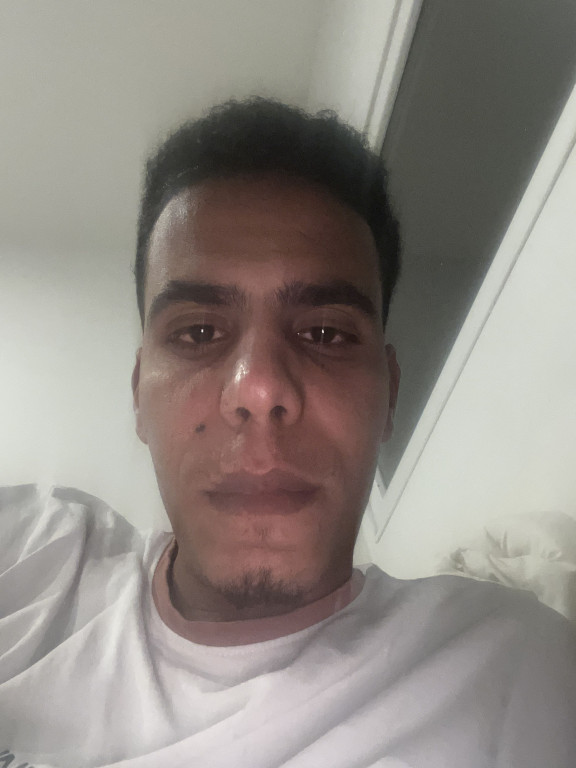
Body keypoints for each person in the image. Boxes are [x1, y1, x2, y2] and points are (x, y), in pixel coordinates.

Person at [0, 97, 574, 768]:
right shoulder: (33, 561)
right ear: (138, 394)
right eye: (199, 332)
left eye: (325, 333)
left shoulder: (517, 673)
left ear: (389, 392)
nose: (260, 389)